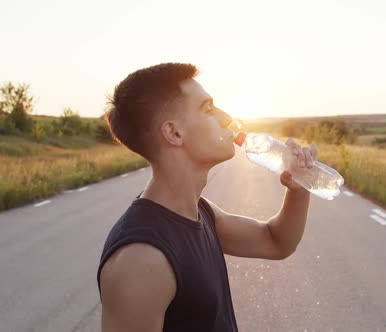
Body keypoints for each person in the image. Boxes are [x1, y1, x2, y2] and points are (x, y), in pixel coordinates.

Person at [96, 63, 317, 332]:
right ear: (174, 133)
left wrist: (299, 188)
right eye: (208, 109)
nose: (226, 118)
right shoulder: (139, 260)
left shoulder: (200, 212)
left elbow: (276, 242)